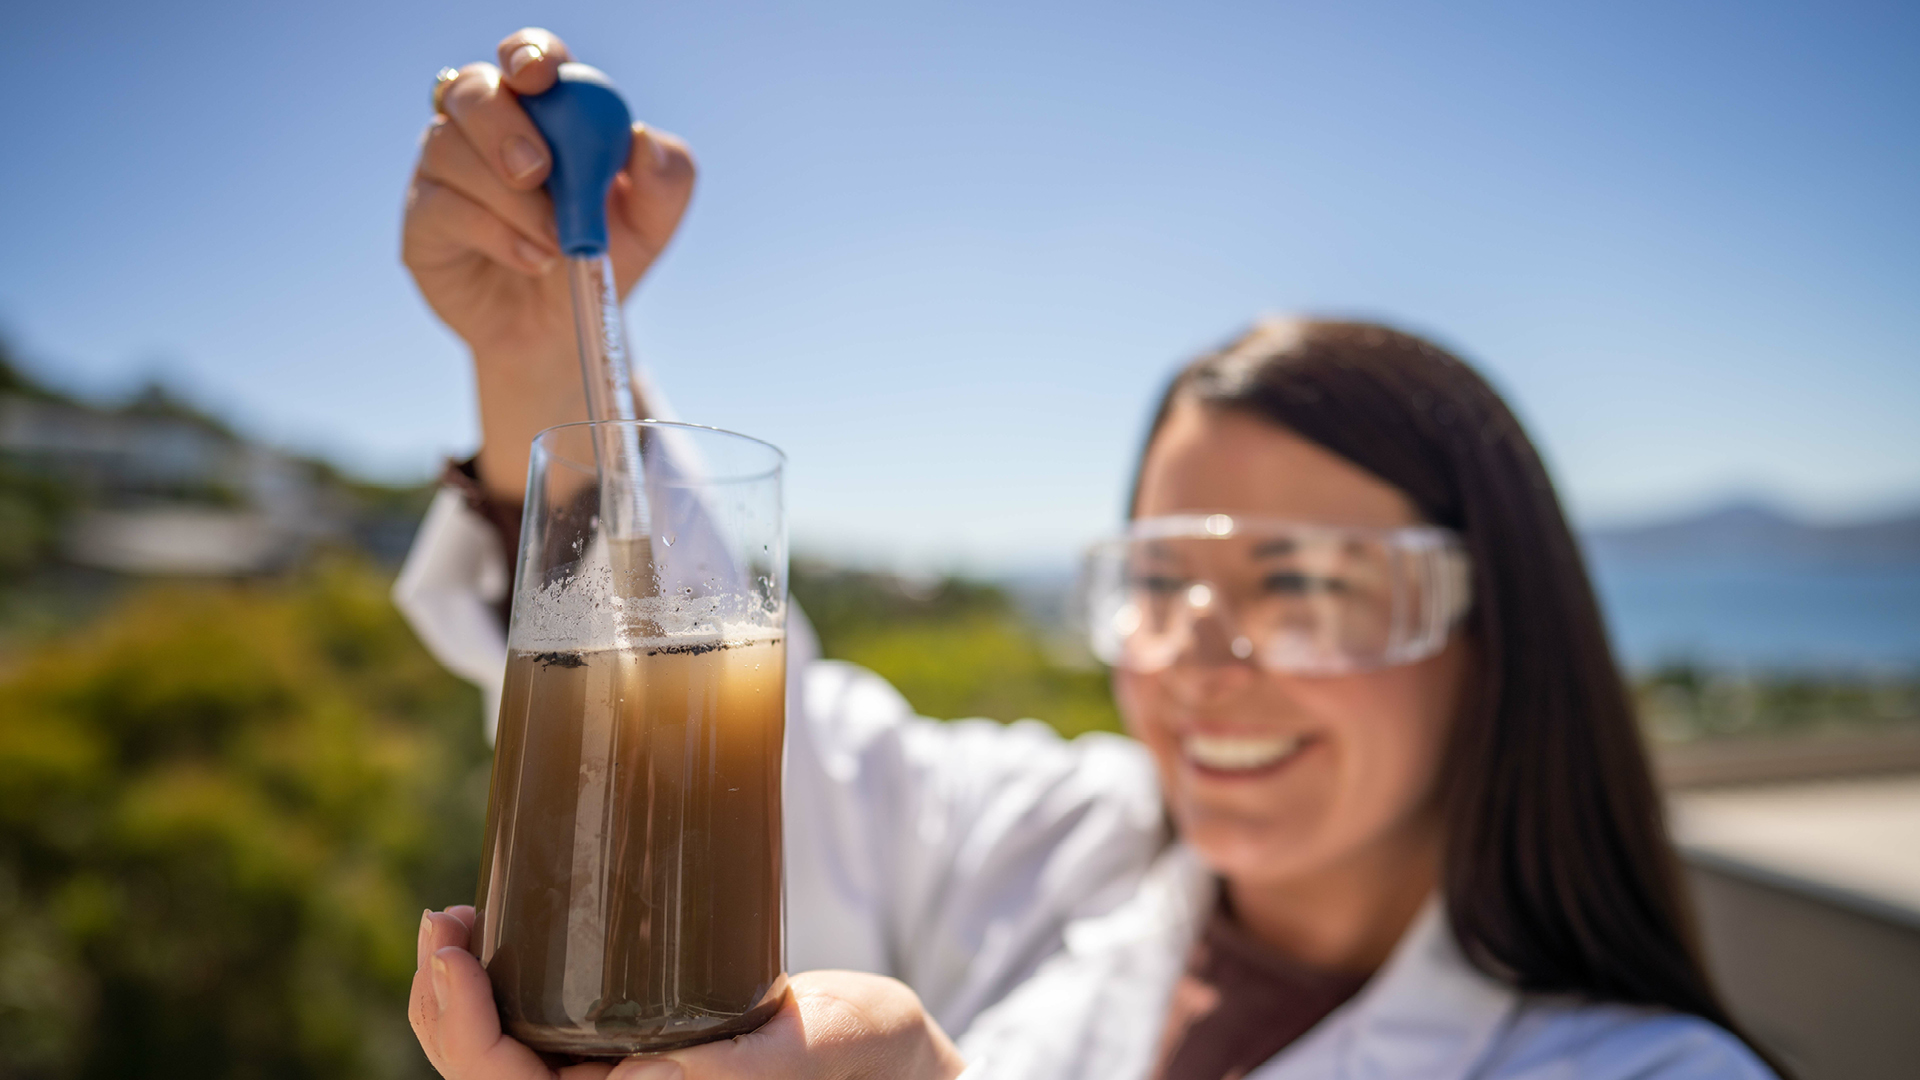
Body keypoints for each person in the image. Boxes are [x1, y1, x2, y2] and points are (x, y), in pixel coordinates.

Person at [395, 28, 1781, 1080]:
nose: (1203, 661)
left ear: (1495, 634)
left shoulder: (1649, 1068)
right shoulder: (1074, 850)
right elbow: (730, 753)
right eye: (1162, 583)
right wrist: (538, 349)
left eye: (1306, 588)